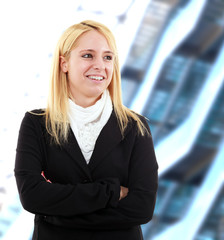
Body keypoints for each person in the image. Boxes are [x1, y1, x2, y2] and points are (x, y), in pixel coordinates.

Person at [14, 20, 158, 240]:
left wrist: (54, 214)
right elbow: (32, 196)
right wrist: (112, 191)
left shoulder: (135, 127)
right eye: (88, 55)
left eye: (108, 57)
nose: (100, 65)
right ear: (64, 63)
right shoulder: (37, 123)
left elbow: (142, 207)